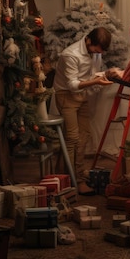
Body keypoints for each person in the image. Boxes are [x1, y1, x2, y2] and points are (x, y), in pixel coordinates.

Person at [53, 27, 114, 195]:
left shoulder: (95, 52)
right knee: (72, 138)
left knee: (84, 135)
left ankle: (70, 174)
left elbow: (92, 74)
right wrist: (96, 82)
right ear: (88, 40)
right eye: (96, 49)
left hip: (82, 95)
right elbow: (72, 85)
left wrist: (107, 74)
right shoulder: (70, 55)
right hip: (66, 95)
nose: (97, 53)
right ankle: (75, 180)